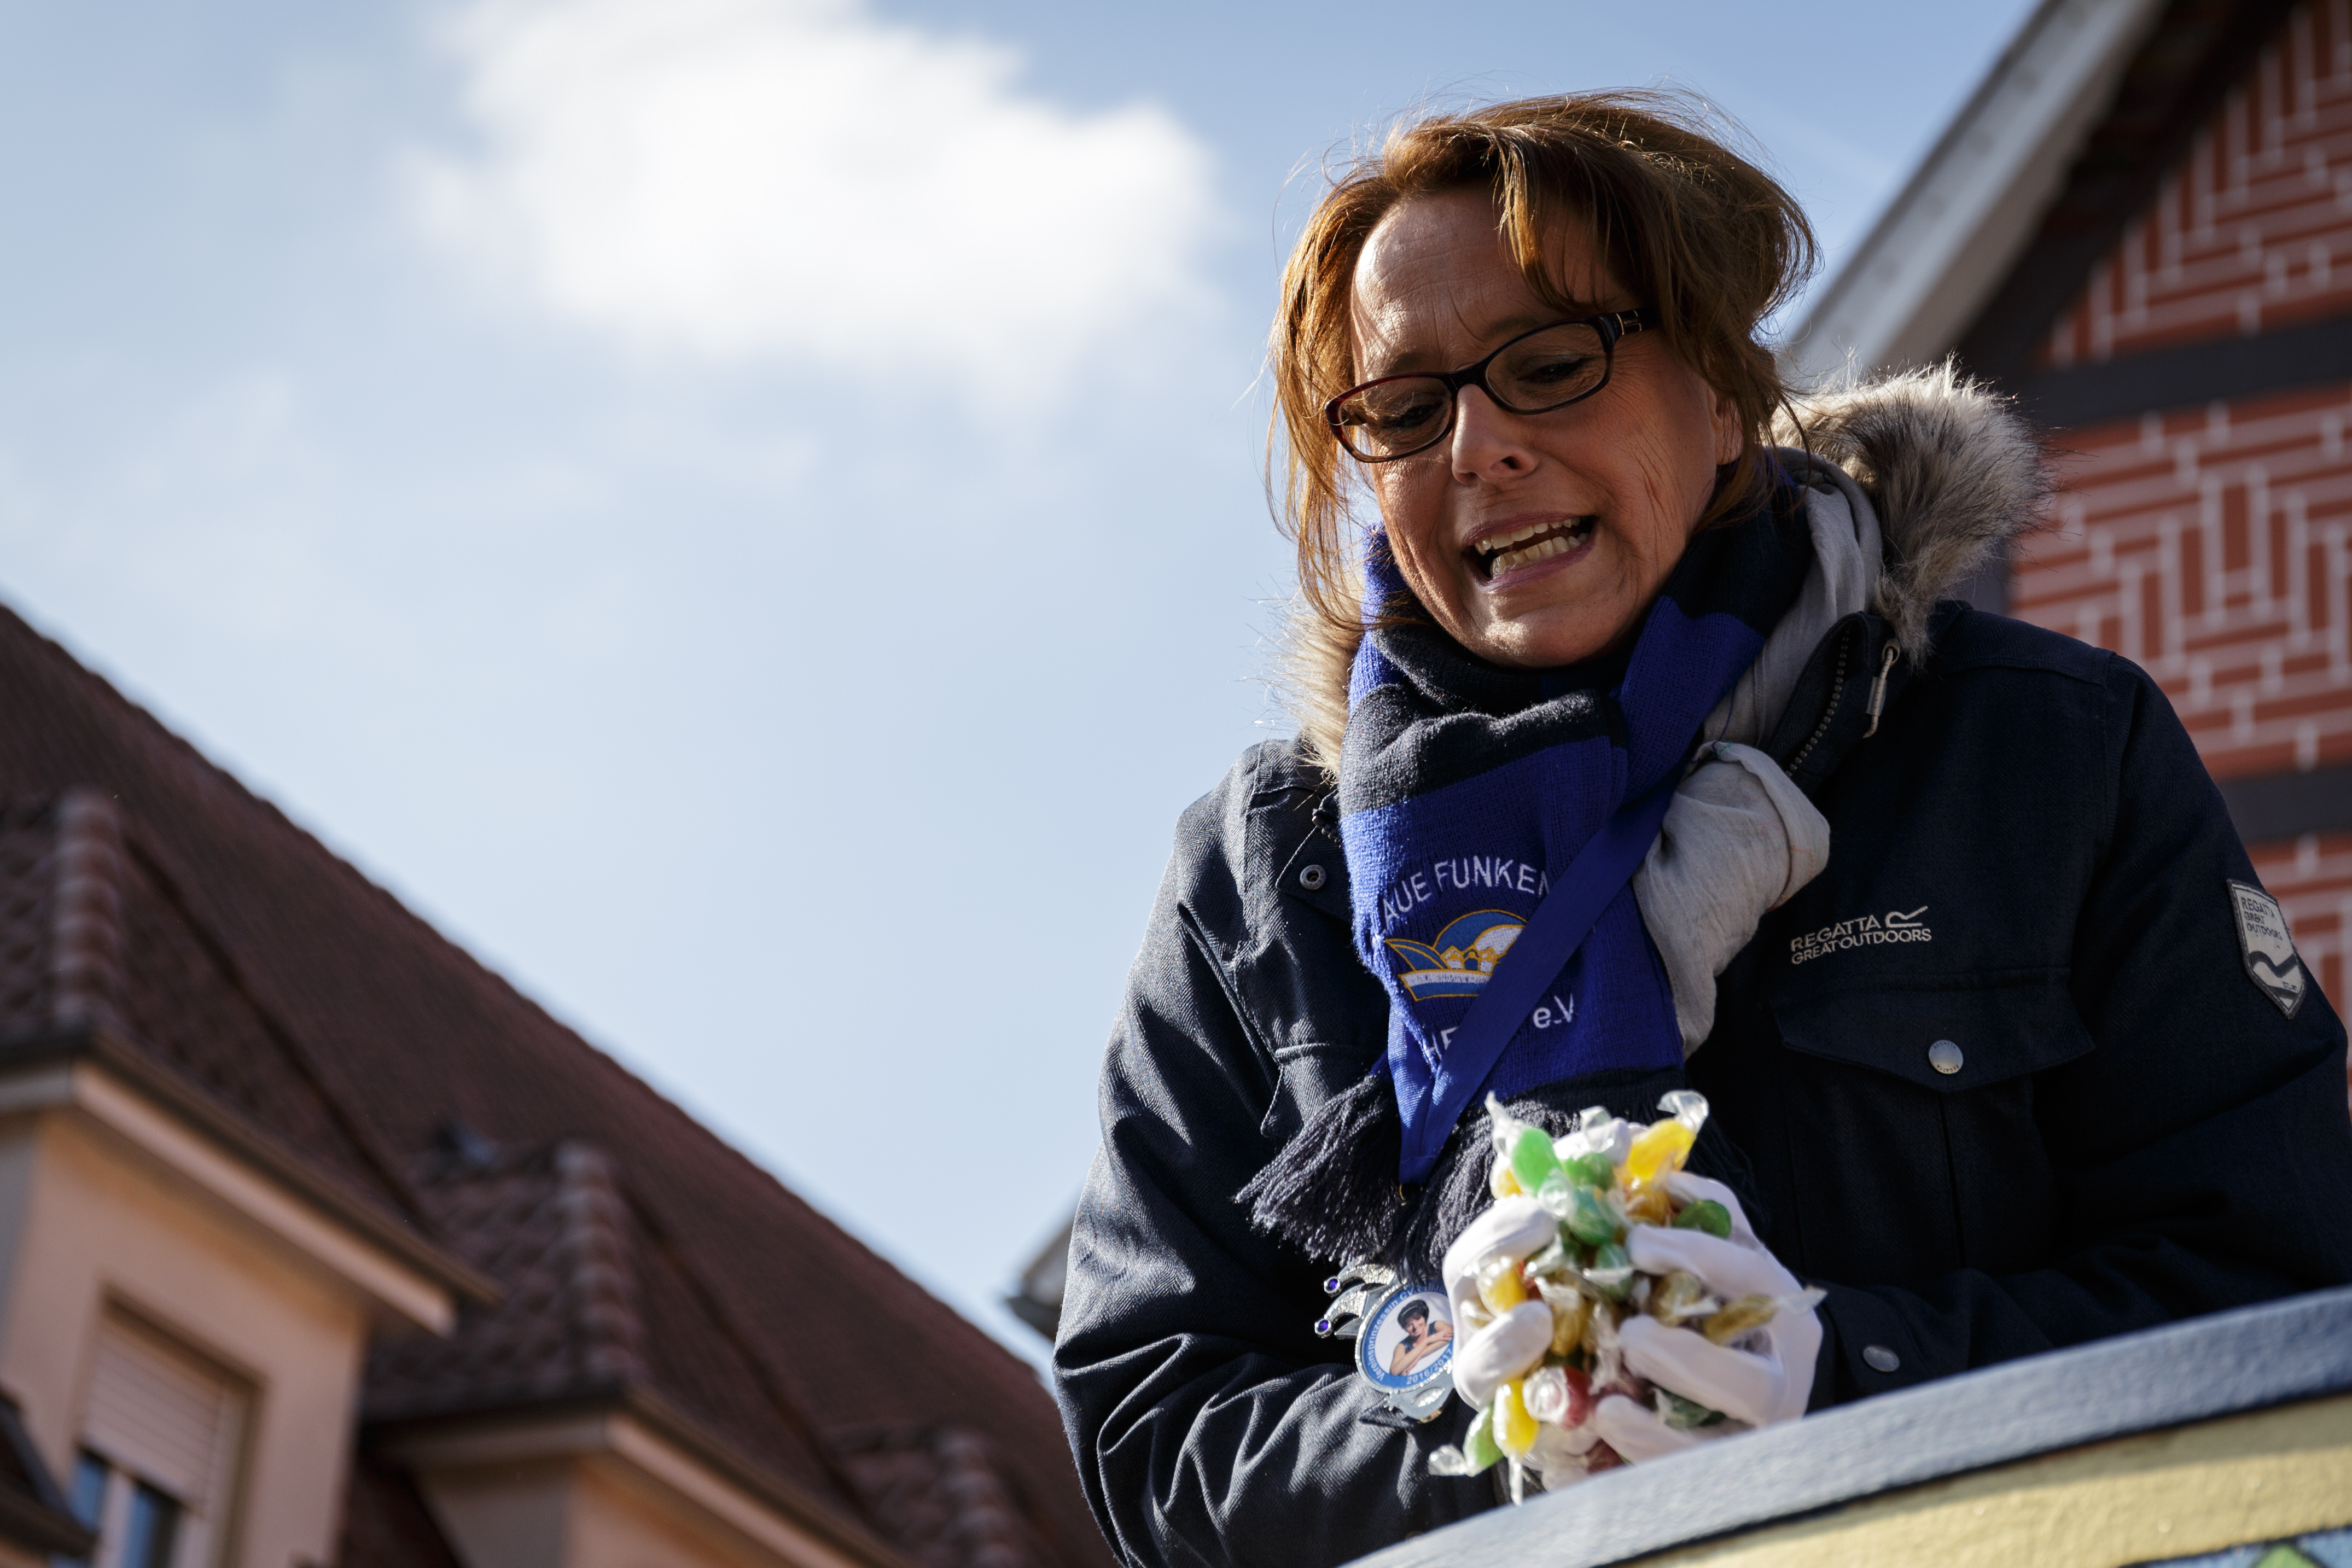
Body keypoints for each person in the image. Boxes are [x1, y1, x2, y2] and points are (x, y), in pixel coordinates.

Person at [1052, 91, 2352, 1568]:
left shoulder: (2042, 752)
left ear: (1720, 397)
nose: (1479, 444)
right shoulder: (1261, 880)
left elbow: (2276, 1288)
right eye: (1403, 409)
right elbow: (1154, 1423)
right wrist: (1485, 1412)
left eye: (1551, 364)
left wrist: (1839, 1376)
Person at [1386, 1298, 1452, 1378]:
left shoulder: (1437, 1325)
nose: (1415, 1326)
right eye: (1409, 1325)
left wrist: (1420, 1355)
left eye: (1418, 1319)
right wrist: (1427, 1341)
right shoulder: (1402, 1346)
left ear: (1424, 1317)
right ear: (1405, 1329)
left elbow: (1455, 1334)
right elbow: (1395, 1371)